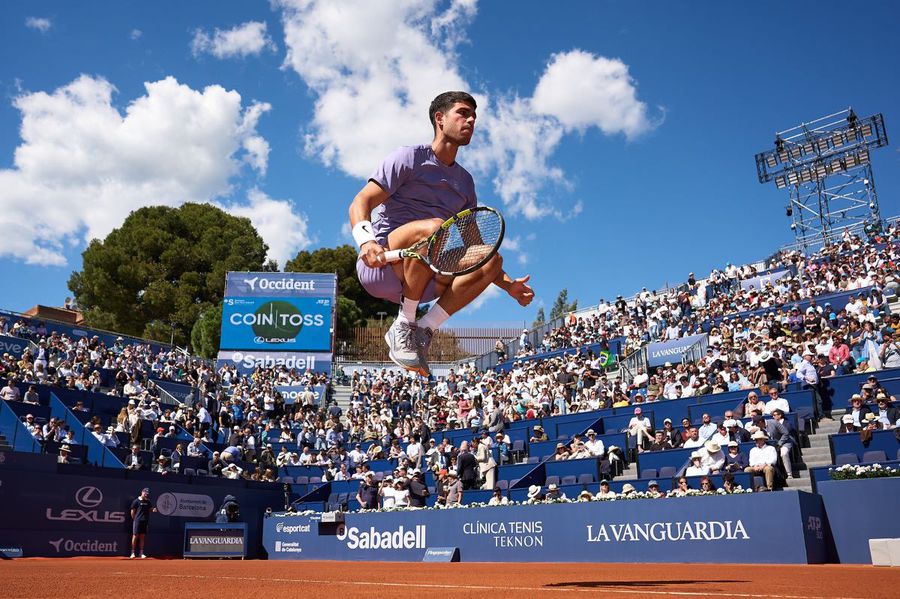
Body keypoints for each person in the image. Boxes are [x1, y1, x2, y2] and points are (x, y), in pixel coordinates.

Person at [349, 91, 534, 375]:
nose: (471, 120)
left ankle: (423, 329)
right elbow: (361, 202)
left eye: (474, 116)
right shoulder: (408, 158)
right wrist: (367, 242)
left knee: (491, 258)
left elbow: (476, 250)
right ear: (440, 118)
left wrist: (508, 285)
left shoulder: (465, 183)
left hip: (426, 279)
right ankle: (404, 323)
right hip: (384, 265)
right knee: (436, 227)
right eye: (463, 113)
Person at [130, 487, 156, 559]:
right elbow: (132, 512)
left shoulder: (148, 502)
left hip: (145, 521)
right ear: (142, 492)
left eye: (147, 493)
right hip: (137, 521)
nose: (146, 494)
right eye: (145, 493)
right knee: (135, 536)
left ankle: (141, 553)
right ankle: (132, 553)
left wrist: (153, 509)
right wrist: (135, 520)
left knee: (142, 537)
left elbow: (151, 509)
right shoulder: (136, 501)